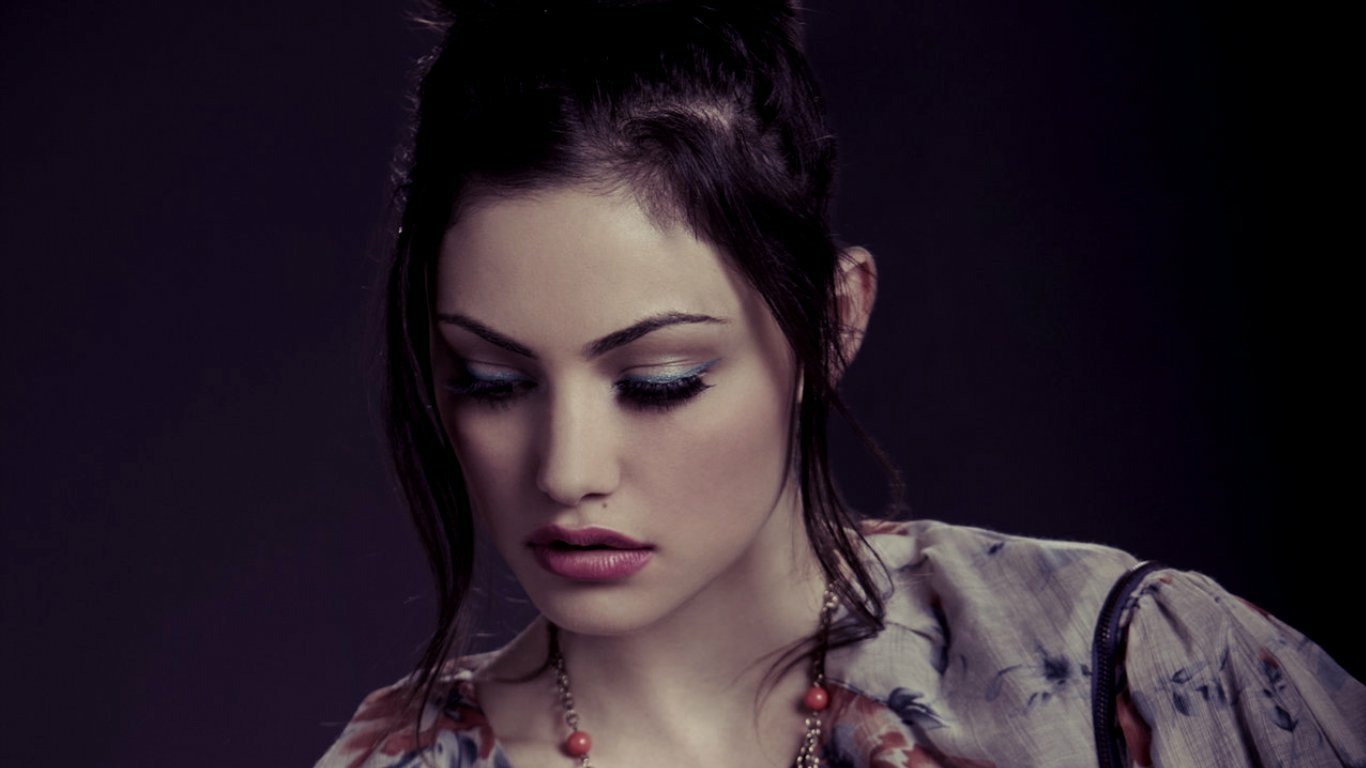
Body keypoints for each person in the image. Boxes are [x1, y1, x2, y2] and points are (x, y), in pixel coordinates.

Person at [316, 1, 1366, 766]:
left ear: (834, 322)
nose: (567, 471)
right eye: (491, 379)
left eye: (661, 380)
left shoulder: (1129, 671)